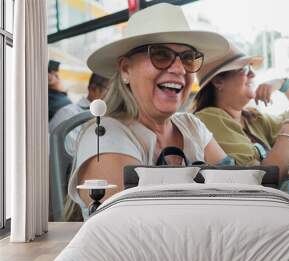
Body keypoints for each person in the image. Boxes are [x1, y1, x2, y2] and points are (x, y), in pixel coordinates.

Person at [64, 3, 231, 220]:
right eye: (161, 55)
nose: (180, 69)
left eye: (189, 58)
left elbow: (237, 188)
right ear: (125, 69)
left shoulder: (192, 126)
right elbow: (133, 226)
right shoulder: (105, 135)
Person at [193, 45, 289, 181]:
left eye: (252, 68)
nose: (253, 74)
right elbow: (267, 179)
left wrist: (284, 85)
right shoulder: (209, 118)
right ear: (218, 81)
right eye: (245, 69)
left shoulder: (253, 118)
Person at [49, 73, 109, 155]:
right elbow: (74, 154)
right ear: (93, 89)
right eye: (112, 90)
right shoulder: (69, 114)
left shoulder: (112, 117)